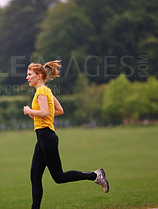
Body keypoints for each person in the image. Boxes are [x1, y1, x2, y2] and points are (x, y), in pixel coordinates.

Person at [23, 60, 109, 209]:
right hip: (42, 138)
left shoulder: (41, 92)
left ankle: (95, 175)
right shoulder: (47, 90)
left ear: (39, 76)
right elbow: (59, 110)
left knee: (59, 177)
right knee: (35, 176)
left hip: (47, 138)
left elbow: (44, 112)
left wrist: (30, 111)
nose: (27, 77)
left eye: (29, 74)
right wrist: (37, 115)